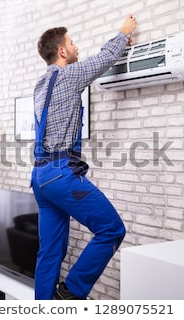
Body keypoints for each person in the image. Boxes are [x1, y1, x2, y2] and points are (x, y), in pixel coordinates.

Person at [31, 14, 138, 300]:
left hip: (40, 178)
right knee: (112, 229)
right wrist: (123, 31)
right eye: (72, 42)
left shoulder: (40, 85)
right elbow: (105, 58)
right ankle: (71, 293)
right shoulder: (67, 76)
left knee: (50, 250)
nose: (76, 47)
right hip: (60, 177)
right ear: (62, 51)